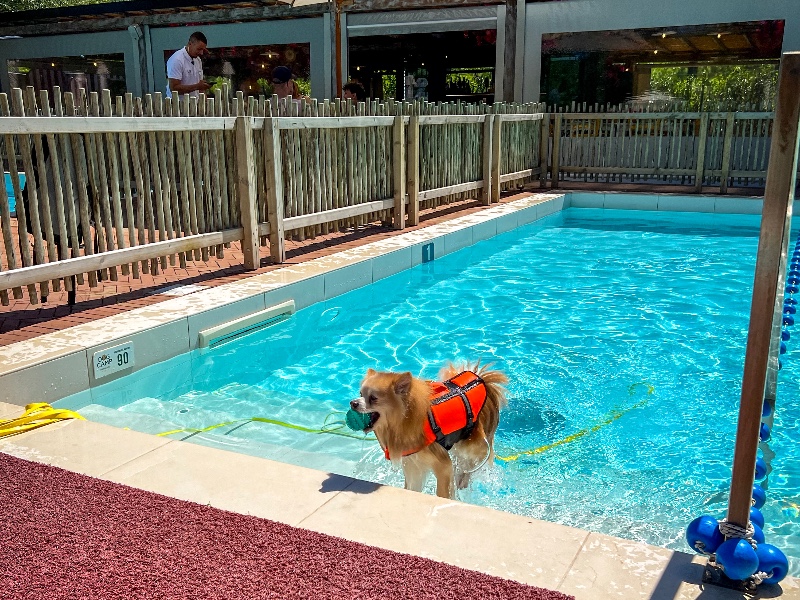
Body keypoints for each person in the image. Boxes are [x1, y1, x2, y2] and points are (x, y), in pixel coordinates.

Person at [166, 31, 210, 99]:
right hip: (179, 106)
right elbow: (174, 88)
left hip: (195, 104)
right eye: (199, 49)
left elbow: (200, 86)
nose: (201, 53)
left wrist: (205, 101)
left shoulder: (198, 60)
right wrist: (197, 86)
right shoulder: (177, 60)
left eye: (203, 50)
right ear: (190, 44)